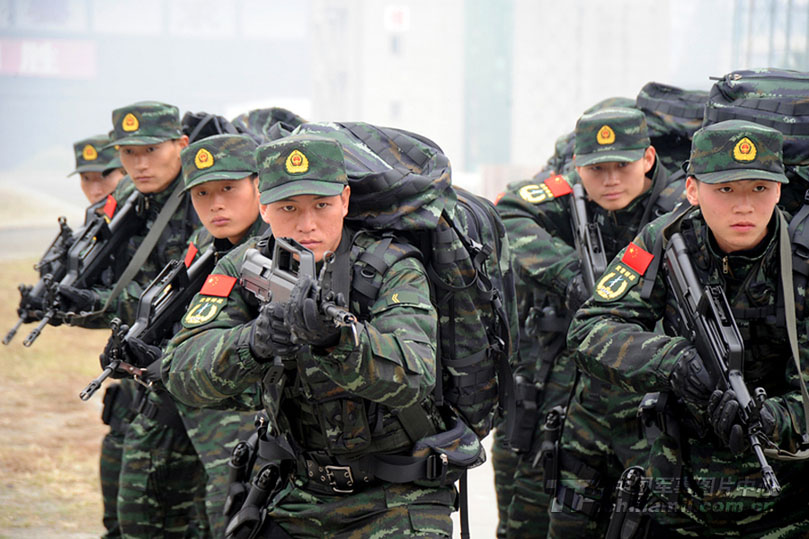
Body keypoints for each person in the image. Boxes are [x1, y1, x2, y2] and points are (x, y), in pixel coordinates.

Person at [162, 133, 457, 537]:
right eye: (288, 208)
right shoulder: (241, 266)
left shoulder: (390, 266)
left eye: (322, 205)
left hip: (397, 496)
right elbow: (179, 371)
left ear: (345, 201)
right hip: (299, 494)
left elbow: (415, 377)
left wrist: (337, 342)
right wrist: (252, 343)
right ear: (263, 206)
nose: (307, 225)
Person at [568, 119, 809, 537]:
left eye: (759, 188)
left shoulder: (802, 259)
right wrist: (672, 361)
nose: (744, 206)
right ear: (693, 190)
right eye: (725, 190)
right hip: (679, 498)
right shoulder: (664, 240)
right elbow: (590, 329)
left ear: (780, 189)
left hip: (785, 505)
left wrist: (774, 418)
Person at [495, 107, 685, 537]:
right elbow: (508, 210)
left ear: (649, 159)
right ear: (578, 166)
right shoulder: (568, 197)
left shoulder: (679, 207)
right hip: (566, 385)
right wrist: (567, 275)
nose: (611, 179)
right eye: (598, 169)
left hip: (648, 388)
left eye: (623, 165)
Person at [57, 101, 205, 537]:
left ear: (181, 144)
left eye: (151, 150)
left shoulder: (210, 197)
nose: (139, 164)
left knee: (206, 515)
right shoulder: (128, 199)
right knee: (131, 514)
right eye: (127, 153)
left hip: (205, 386)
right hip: (143, 378)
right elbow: (117, 290)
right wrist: (77, 303)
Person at [158, 133, 267, 537]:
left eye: (228, 188)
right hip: (207, 417)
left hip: (255, 427)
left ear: (259, 184)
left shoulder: (279, 246)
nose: (215, 204)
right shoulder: (206, 243)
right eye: (202, 193)